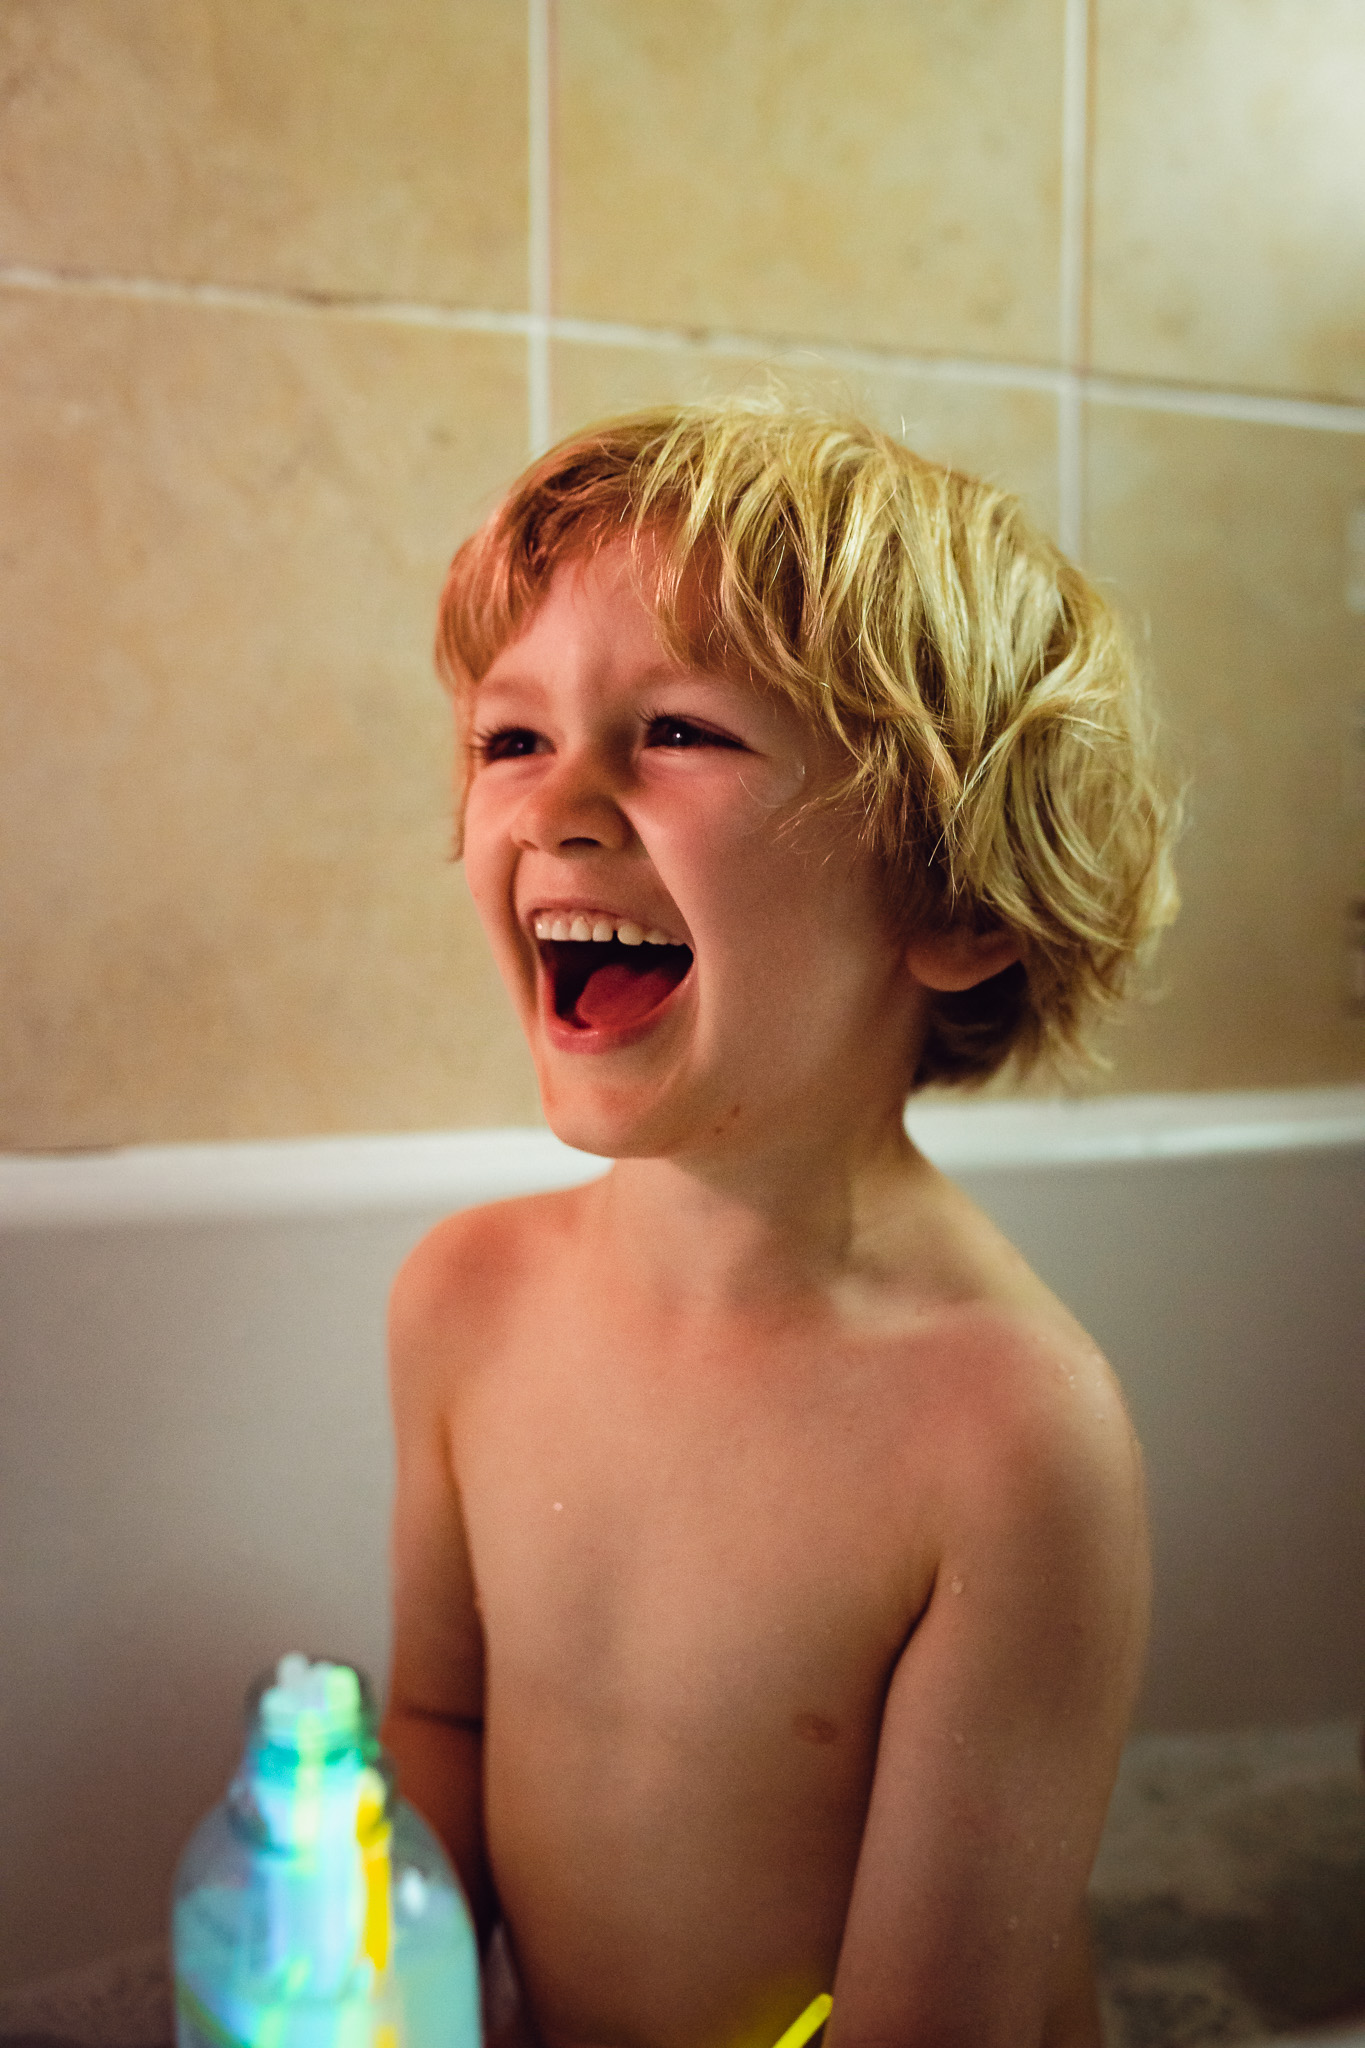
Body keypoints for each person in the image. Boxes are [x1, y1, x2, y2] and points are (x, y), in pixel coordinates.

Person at [379, 397, 1177, 2048]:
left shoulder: (1004, 1433)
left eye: (676, 732)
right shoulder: (464, 1299)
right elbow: (439, 1721)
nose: (552, 808)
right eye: (508, 739)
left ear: (950, 901)